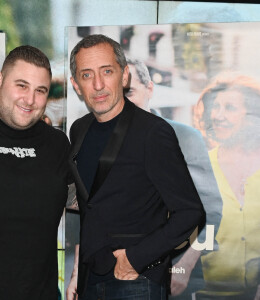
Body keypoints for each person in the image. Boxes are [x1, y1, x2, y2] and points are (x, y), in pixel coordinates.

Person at [66, 34, 205, 300]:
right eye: (86, 75)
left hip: (135, 281)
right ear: (75, 84)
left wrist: (134, 259)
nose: (98, 84)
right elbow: (89, 205)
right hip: (90, 278)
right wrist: (76, 273)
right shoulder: (79, 129)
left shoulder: (153, 132)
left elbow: (190, 211)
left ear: (125, 75)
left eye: (107, 71)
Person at [0, 45, 70, 299]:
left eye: (40, 90)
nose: (29, 99)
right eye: (21, 85)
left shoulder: (56, 144)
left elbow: (88, 206)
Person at [125, 58, 222, 298]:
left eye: (129, 92)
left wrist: (185, 265)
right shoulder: (103, 143)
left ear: (149, 90)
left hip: (173, 278)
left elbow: (212, 211)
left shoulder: (185, 138)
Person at [194, 71, 260, 299]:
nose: (218, 116)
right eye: (216, 107)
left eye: (229, 108)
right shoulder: (201, 167)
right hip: (202, 293)